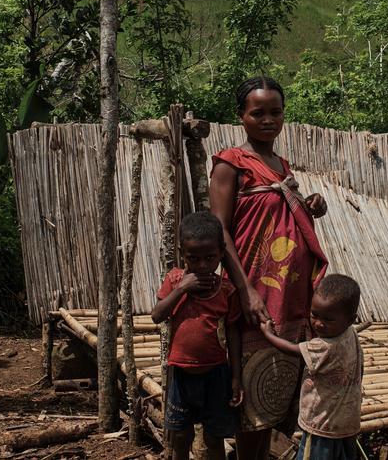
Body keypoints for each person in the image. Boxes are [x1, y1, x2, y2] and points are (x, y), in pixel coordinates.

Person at [209, 76, 330, 460]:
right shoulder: (230, 164)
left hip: (289, 296)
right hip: (254, 293)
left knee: (276, 391)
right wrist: (246, 292)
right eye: (257, 113)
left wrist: (307, 204)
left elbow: (278, 214)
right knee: (249, 397)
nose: (267, 120)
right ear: (241, 117)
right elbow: (221, 233)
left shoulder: (281, 165)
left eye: (275, 112)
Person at [151, 211, 244, 460]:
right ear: (182, 253)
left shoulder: (226, 290)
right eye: (194, 258)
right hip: (181, 376)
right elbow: (157, 315)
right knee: (180, 437)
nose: (202, 265)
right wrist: (182, 288)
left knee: (214, 438)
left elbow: (234, 332)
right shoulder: (174, 280)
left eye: (209, 258)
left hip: (216, 375)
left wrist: (236, 377)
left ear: (221, 252)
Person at [261, 274, 363, 460]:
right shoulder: (351, 335)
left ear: (350, 319)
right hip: (347, 422)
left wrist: (269, 336)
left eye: (328, 320)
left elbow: (293, 350)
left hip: (321, 425)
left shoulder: (325, 346)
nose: (318, 323)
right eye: (314, 315)